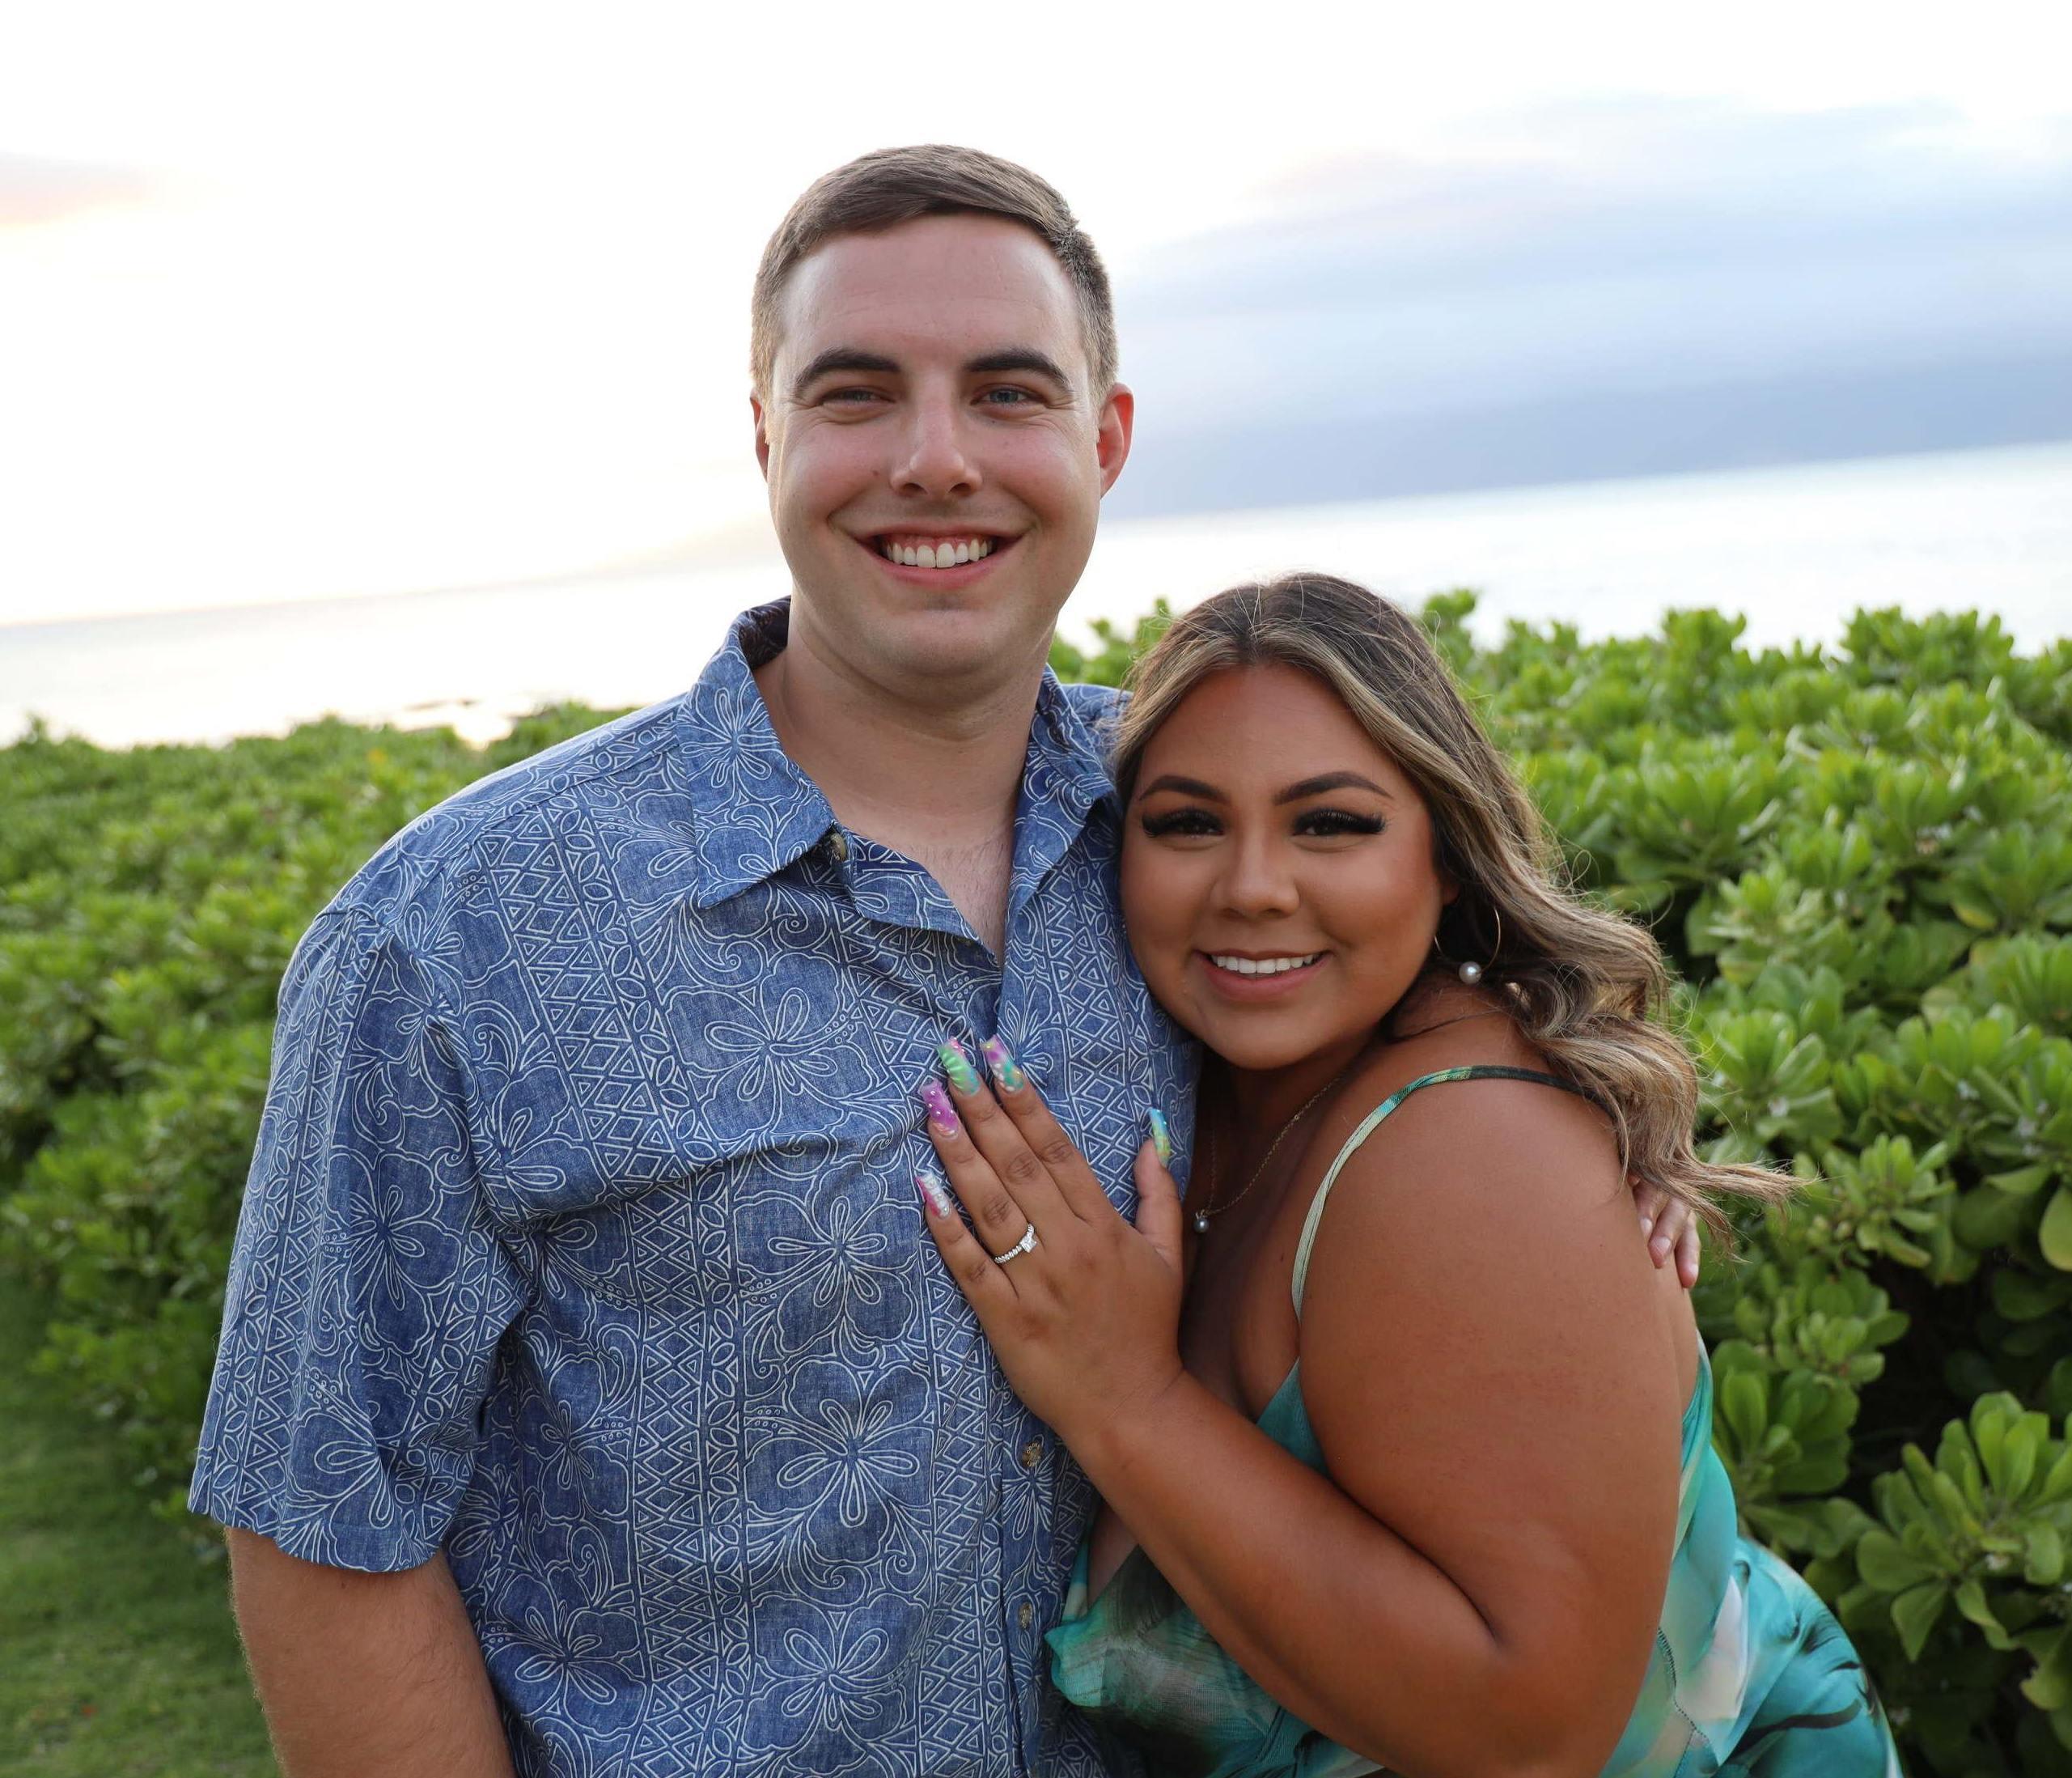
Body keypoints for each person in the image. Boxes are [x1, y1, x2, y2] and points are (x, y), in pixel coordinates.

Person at [189, 149, 1695, 1778]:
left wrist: (1621, 1143)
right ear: (766, 434)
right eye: (855, 395)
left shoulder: (1199, 834)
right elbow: (328, 1516)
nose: (933, 460)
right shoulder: (457, 939)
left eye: (1005, 392)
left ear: (1101, 439)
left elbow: (1453, 1042)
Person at [914, 574, 1903, 1778]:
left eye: (1330, 822)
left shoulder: (1466, 1155)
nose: (1252, 886)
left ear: (1445, 855)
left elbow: (1530, 1733)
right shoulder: (1204, 1084)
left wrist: (1127, 1398)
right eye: (1186, 822)